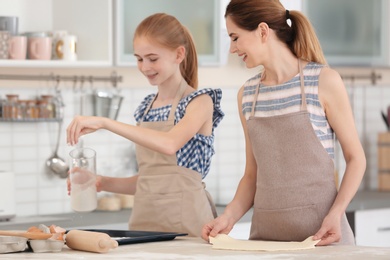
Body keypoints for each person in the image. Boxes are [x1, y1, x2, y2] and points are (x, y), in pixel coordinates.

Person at [202, 0, 366, 246]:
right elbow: (251, 176)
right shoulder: (247, 95)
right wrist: (228, 217)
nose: (232, 49)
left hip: (323, 239)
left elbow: (356, 158)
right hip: (266, 242)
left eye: (235, 38)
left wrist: (336, 213)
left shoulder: (323, 81)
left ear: (263, 31)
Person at [66, 13, 224, 237]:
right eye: (139, 59)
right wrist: (99, 182)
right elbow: (151, 180)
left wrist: (104, 122)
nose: (144, 66)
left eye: (152, 58)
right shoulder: (146, 108)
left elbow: (169, 144)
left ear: (179, 54)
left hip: (189, 224)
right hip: (145, 224)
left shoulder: (199, 102)